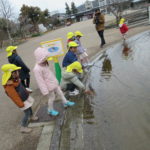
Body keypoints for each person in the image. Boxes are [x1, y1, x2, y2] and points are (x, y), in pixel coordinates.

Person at [33, 47, 75, 116]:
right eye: (44, 58)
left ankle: (65, 102)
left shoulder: (44, 64)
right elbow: (40, 81)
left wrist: (54, 80)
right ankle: (50, 110)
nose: (46, 59)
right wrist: (45, 91)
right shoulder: (37, 69)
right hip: (49, 86)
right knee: (51, 98)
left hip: (53, 82)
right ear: (40, 58)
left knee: (60, 92)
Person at [1, 64, 38, 133]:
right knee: (26, 113)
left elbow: (22, 88)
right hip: (21, 101)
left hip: (24, 97)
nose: (18, 72)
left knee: (29, 107)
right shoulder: (9, 86)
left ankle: (31, 116)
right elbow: (14, 96)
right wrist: (20, 104)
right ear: (11, 74)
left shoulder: (16, 79)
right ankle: (23, 127)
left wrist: (27, 91)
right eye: (16, 71)